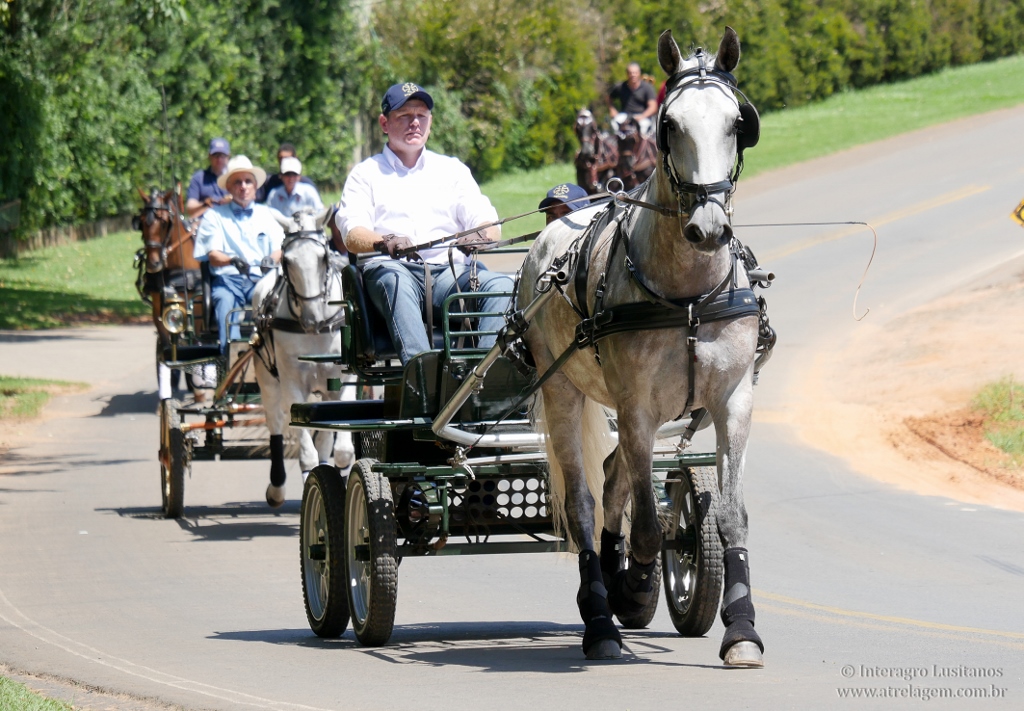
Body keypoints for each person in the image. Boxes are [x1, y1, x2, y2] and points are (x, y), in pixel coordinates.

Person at [335, 82, 513, 365]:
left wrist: (480, 234)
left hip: (449, 275)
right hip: (392, 270)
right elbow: (352, 234)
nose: (414, 123)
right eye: (404, 116)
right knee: (395, 279)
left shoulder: (452, 169)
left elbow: (488, 221)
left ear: (430, 122)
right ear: (384, 123)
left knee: (500, 285)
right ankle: (422, 376)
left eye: (422, 116)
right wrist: (384, 242)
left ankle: (484, 374)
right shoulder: (365, 174)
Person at [193, 155, 284, 351]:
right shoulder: (214, 216)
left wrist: (271, 258)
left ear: (255, 186)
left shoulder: (268, 214)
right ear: (229, 187)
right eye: (237, 182)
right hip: (228, 282)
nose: (243, 186)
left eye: (247, 181)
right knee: (225, 303)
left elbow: (280, 248)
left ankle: (272, 357)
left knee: (277, 305)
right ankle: (231, 359)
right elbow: (213, 255)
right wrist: (231, 260)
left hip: (260, 281)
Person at [186, 138, 234, 217]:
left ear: (228, 156)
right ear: (209, 156)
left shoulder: (234, 178)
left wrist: (232, 200)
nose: (219, 159)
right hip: (202, 224)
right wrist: (205, 204)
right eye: (216, 155)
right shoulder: (199, 178)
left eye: (222, 155)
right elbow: (190, 208)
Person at [608, 63, 657, 137]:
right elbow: (609, 97)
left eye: (635, 73)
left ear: (639, 73)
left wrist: (642, 116)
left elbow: (653, 107)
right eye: (630, 73)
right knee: (614, 124)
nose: (633, 75)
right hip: (625, 116)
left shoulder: (647, 88)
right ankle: (616, 147)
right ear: (627, 74)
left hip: (642, 117)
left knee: (643, 133)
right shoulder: (621, 87)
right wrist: (612, 109)